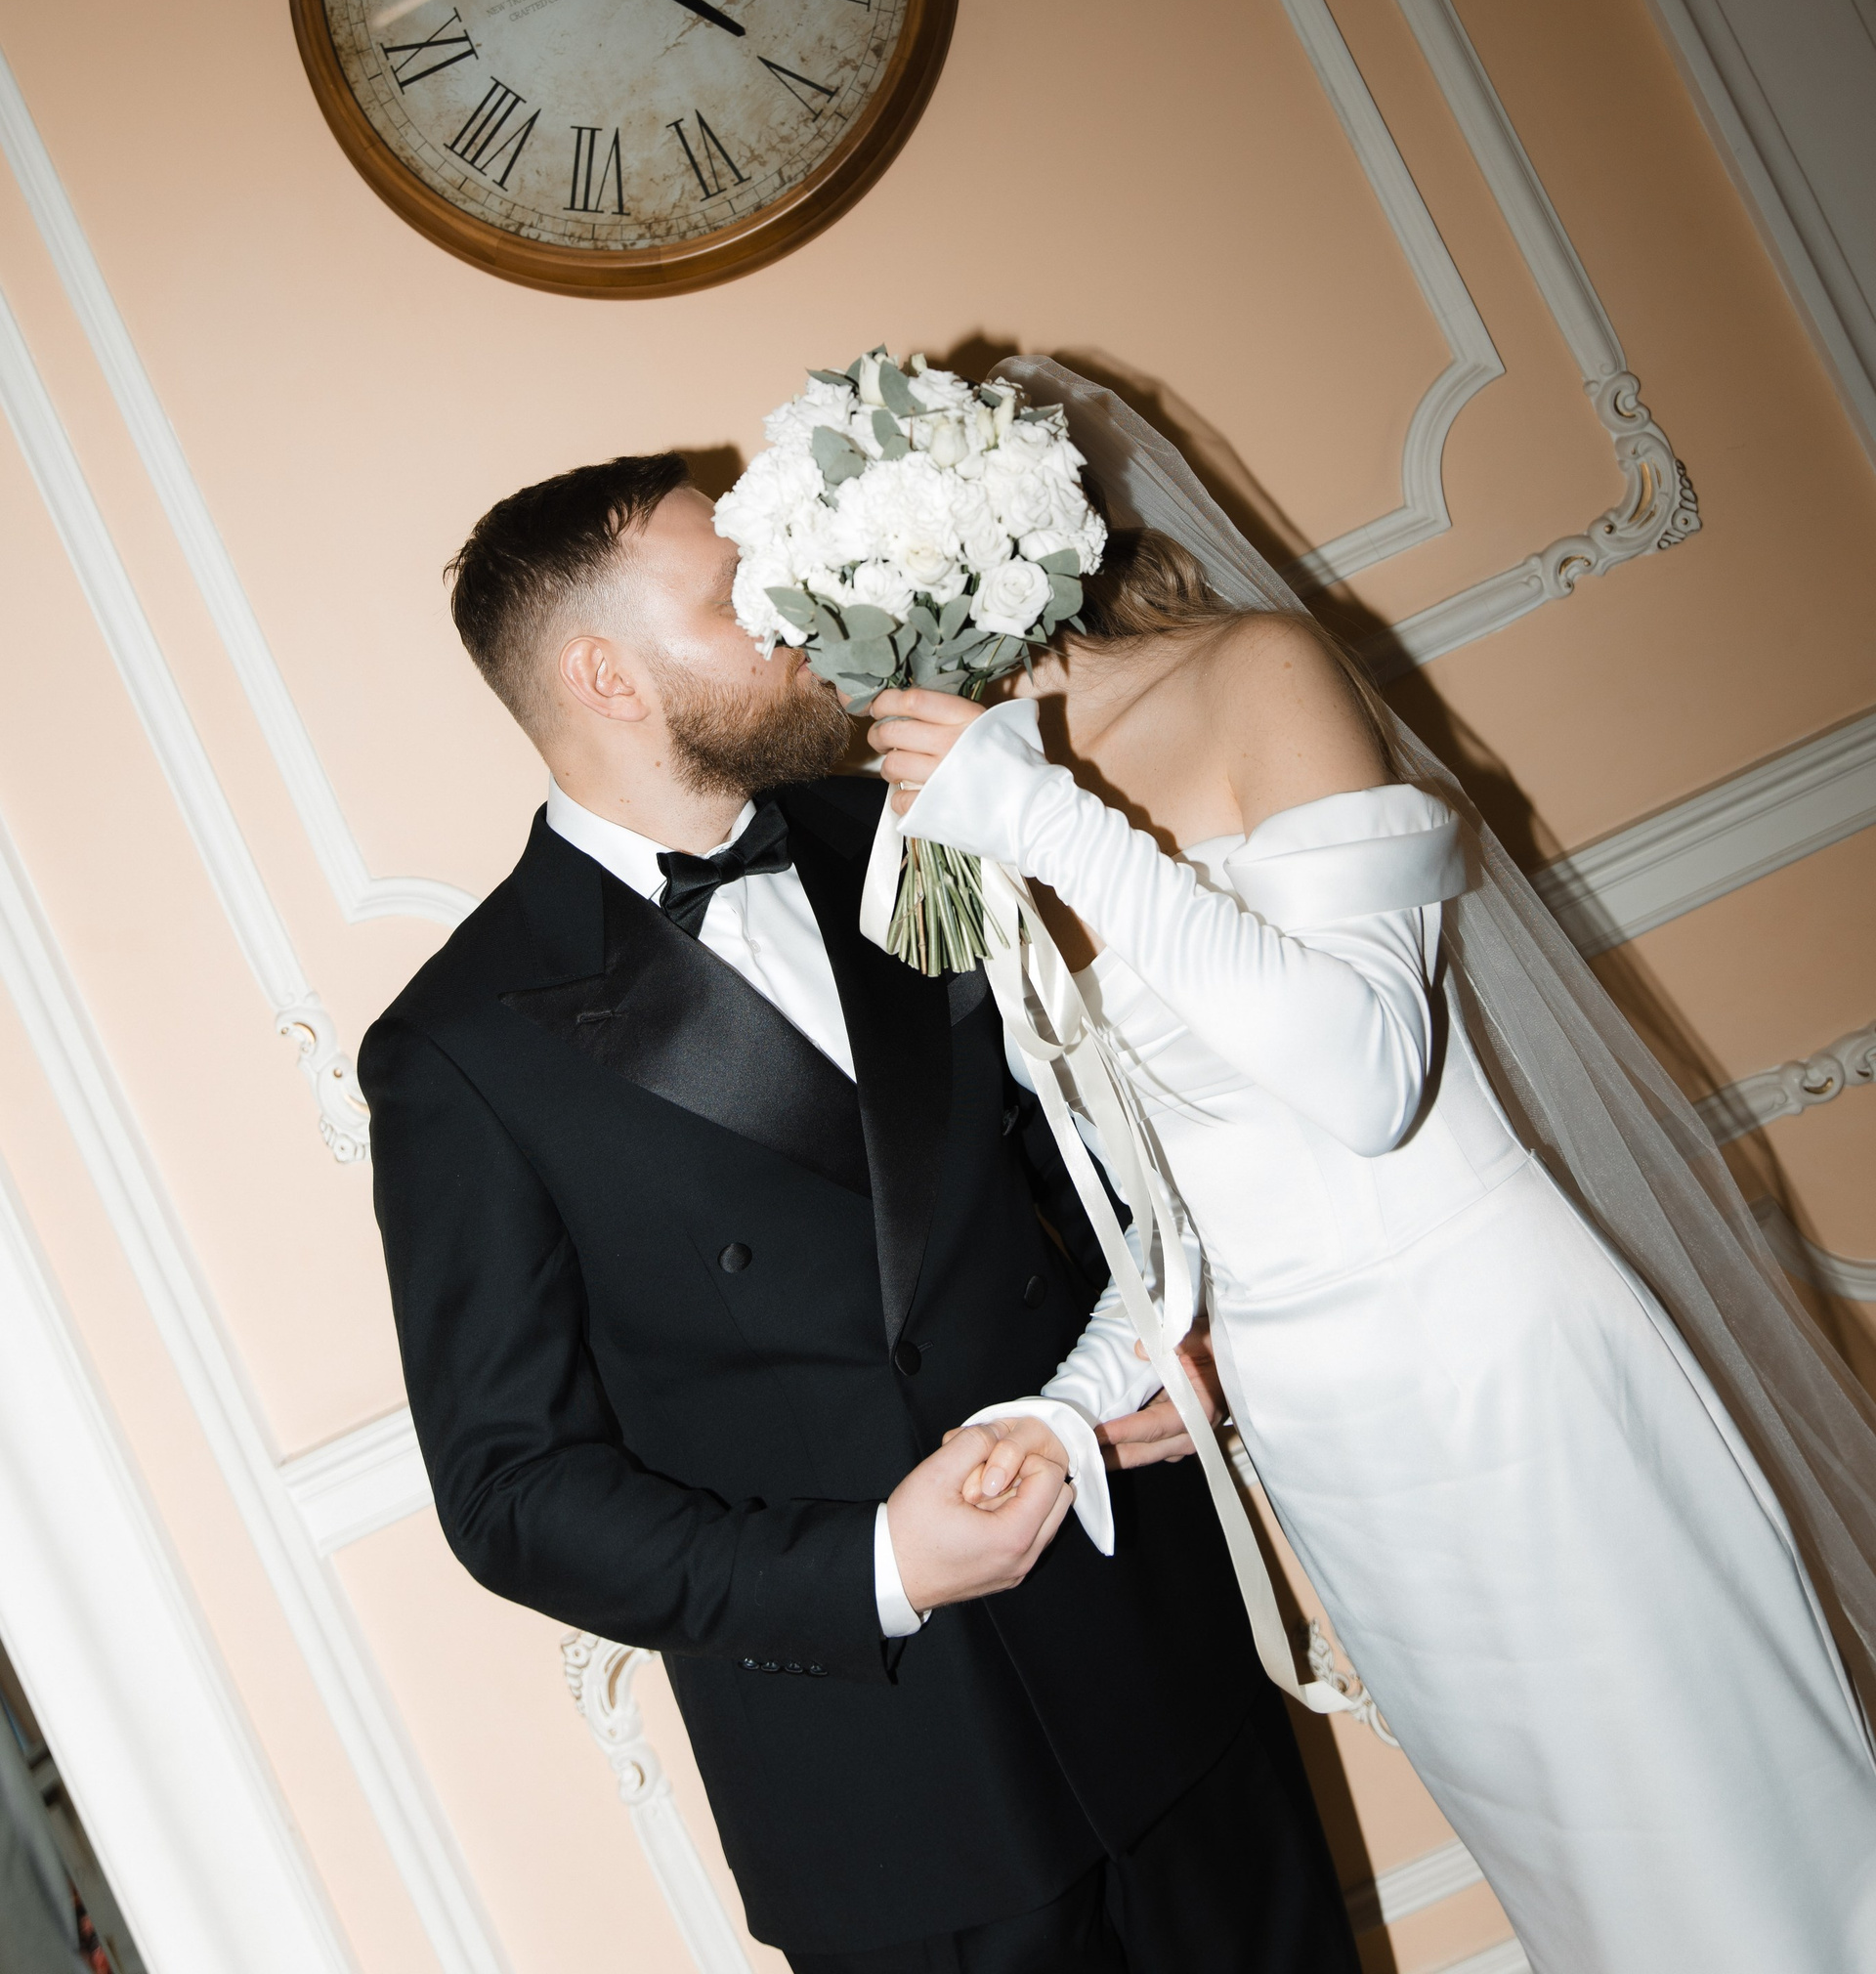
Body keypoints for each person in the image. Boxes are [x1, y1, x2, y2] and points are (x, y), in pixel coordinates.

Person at [358, 452, 1361, 1974]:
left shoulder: (892, 825)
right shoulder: (461, 1047)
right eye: (735, 597)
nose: (792, 616)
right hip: (900, 1805)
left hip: (1159, 1666)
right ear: (606, 677)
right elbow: (512, 1492)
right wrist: (874, 1568)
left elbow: (1062, 1144)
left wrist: (1168, 1334)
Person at [870, 500, 1876, 1974]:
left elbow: (1366, 1078)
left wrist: (1047, 824)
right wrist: (1065, 1405)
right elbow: (1184, 1212)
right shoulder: (977, 802)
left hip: (1493, 1366)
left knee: (1724, 1844)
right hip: (1330, 1449)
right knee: (1594, 1897)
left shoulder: (1252, 673)